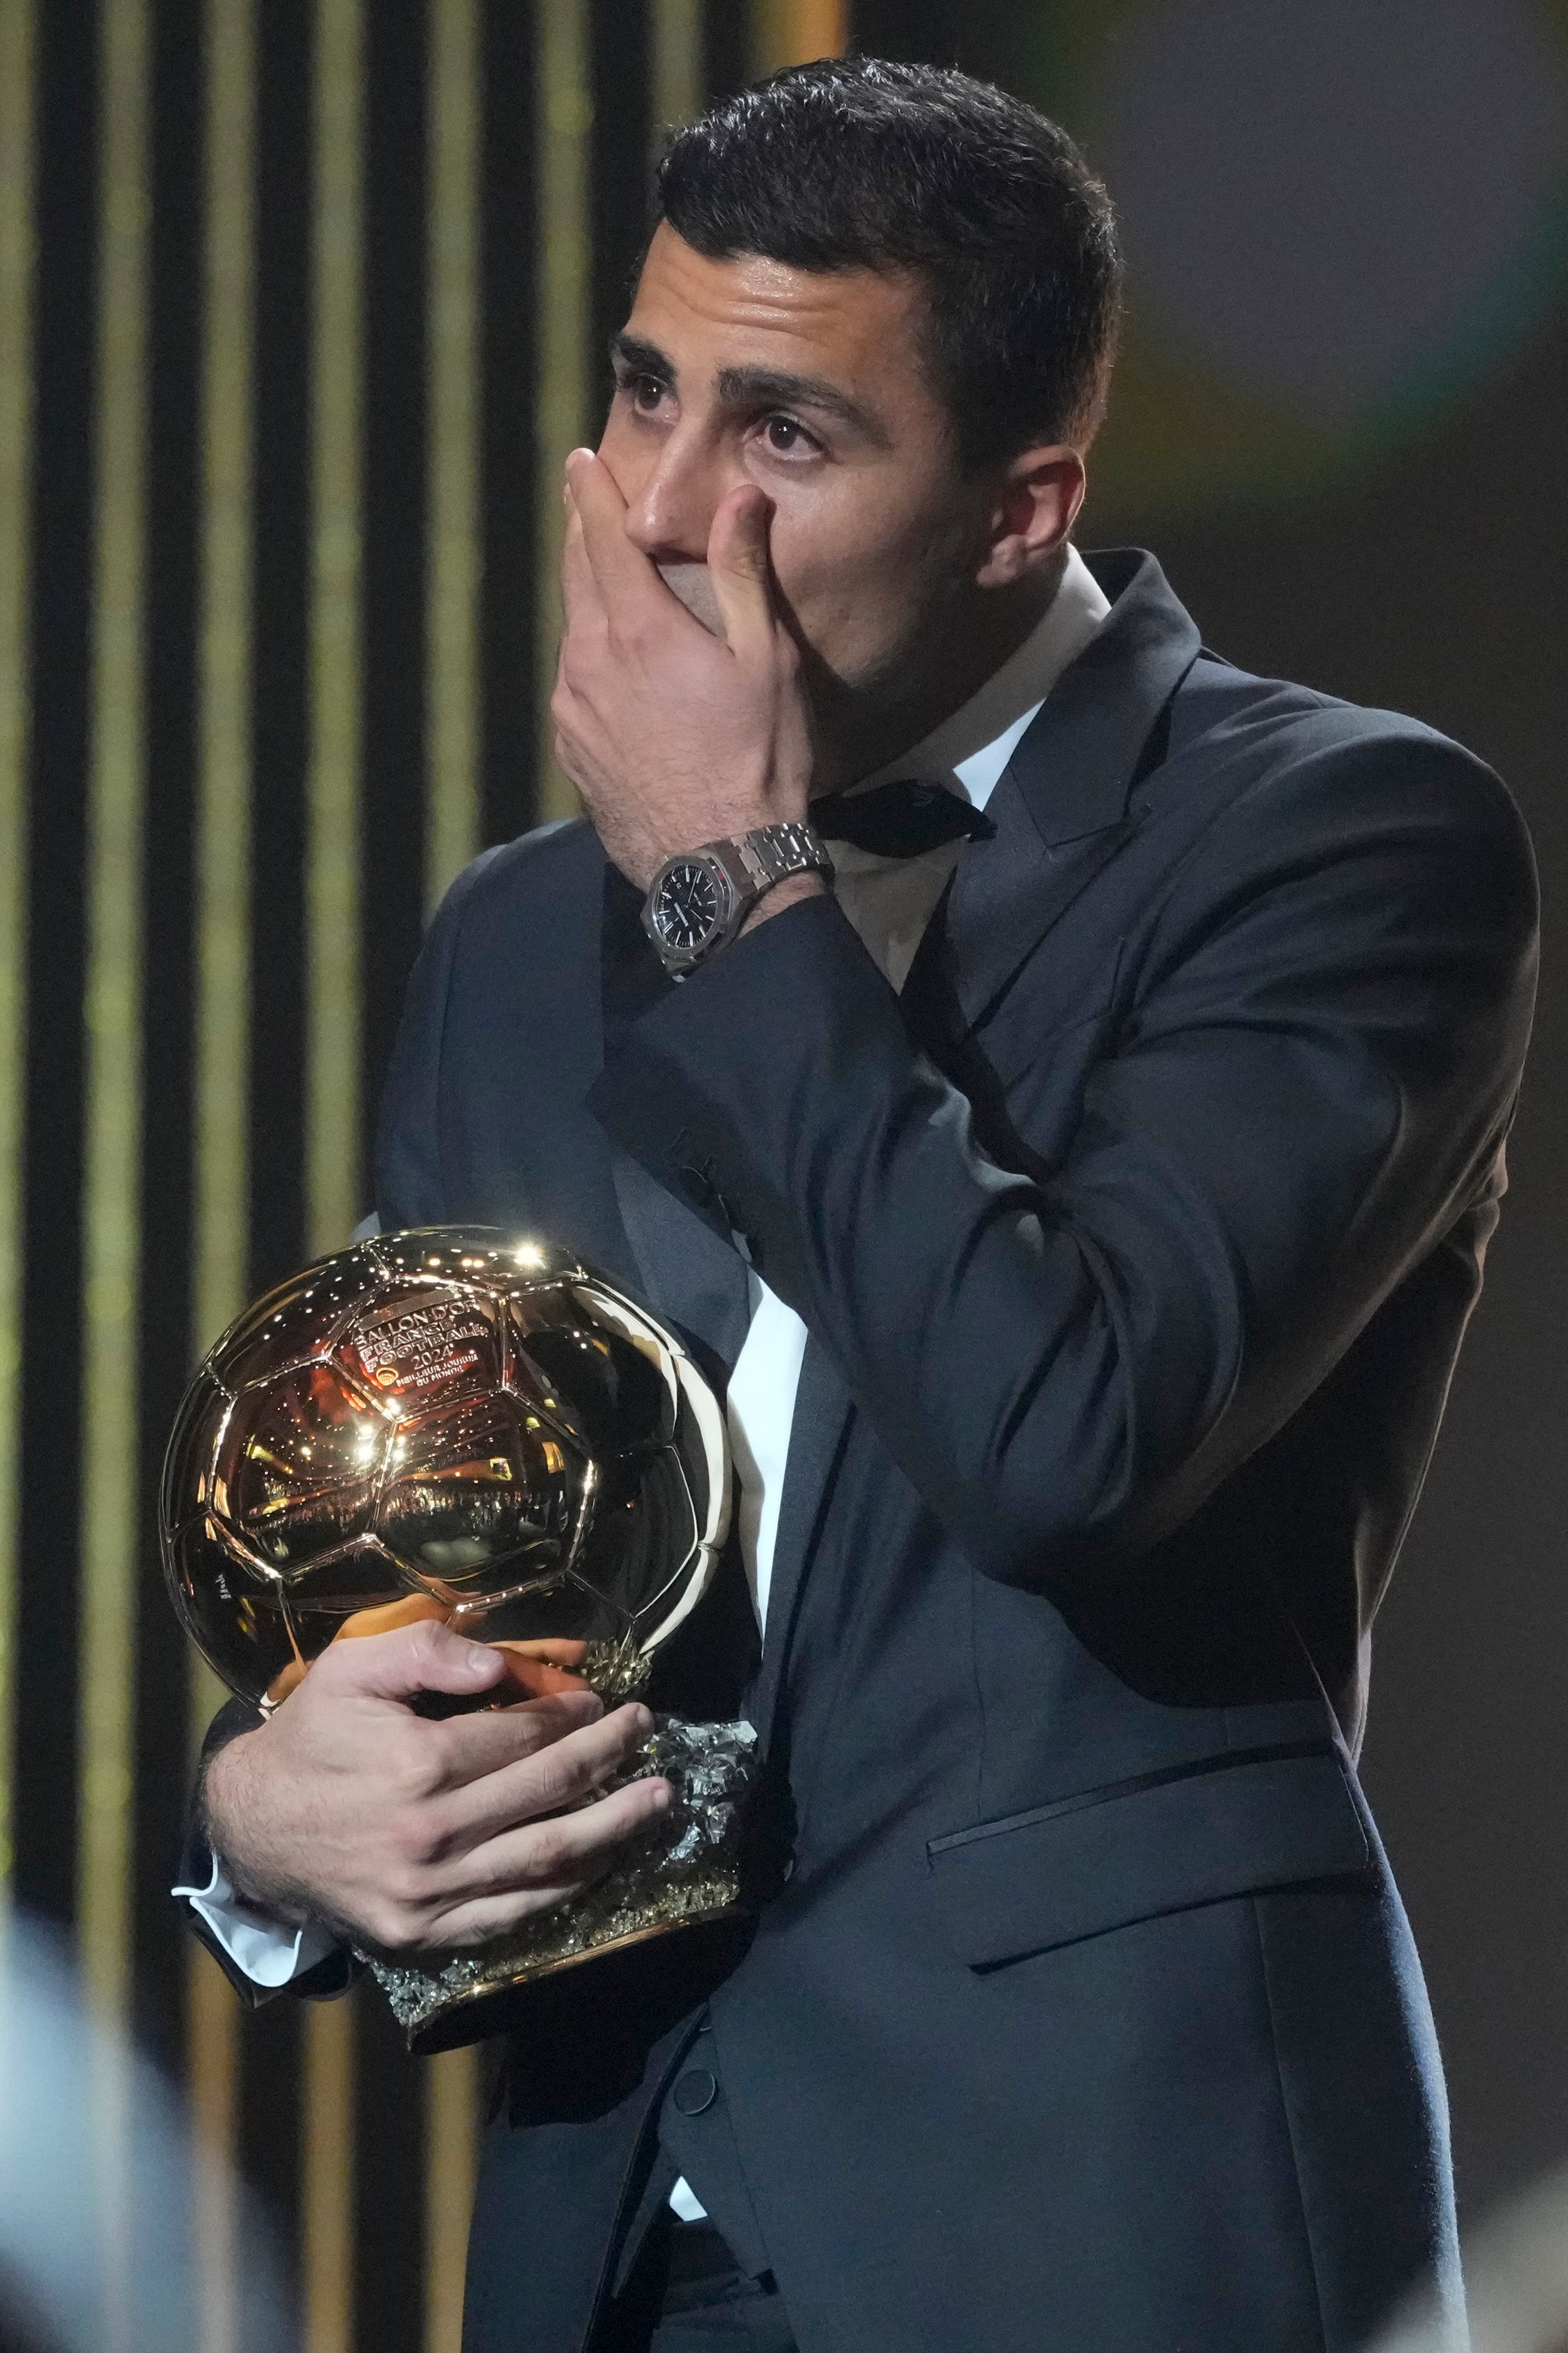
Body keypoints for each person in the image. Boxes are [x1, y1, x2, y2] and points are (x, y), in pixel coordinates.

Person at [178, 56, 1538, 2353]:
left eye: (785, 441)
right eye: (642, 396)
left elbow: (1063, 1436)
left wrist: (732, 875)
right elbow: (450, 1585)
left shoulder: (1341, 840)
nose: (660, 509)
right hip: (604, 2206)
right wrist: (269, 1828)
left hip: (1095, 2193)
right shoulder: (521, 928)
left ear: (1023, 512)